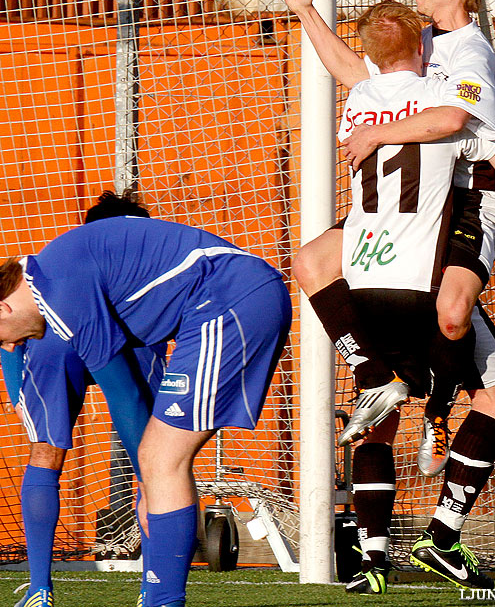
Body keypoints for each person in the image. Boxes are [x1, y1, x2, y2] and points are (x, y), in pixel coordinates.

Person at [283, 0, 495, 587]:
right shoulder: (421, 42)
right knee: (311, 263)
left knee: (453, 313)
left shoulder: (470, 51)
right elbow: (355, 72)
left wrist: (378, 132)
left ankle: (440, 417)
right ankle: (376, 378)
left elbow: (452, 123)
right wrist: (306, 11)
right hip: (409, 210)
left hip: (464, 203)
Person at [0, 216, 292, 607]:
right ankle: (156, 597)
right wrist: (147, 479)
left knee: (160, 460)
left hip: (226, 301)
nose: (9, 345)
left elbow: (125, 398)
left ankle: (155, 599)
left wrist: (148, 482)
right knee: (160, 460)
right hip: (227, 300)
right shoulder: (54, 272)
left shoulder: (62, 292)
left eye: (1, 337)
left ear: (3, 307)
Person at [323, 0, 495, 594]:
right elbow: (484, 147)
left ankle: (372, 557)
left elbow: (353, 71)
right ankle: (442, 523)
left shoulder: (360, 100)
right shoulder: (445, 90)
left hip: (364, 279)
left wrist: (304, 13)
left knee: (378, 411)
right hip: (421, 271)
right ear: (420, 49)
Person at [1, 191, 167, 607]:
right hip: (132, 337)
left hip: (54, 341)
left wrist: (15, 387)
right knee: (157, 464)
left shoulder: (55, 266)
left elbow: (9, 338)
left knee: (45, 453)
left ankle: (40, 588)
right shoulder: (147, 259)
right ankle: (154, 588)